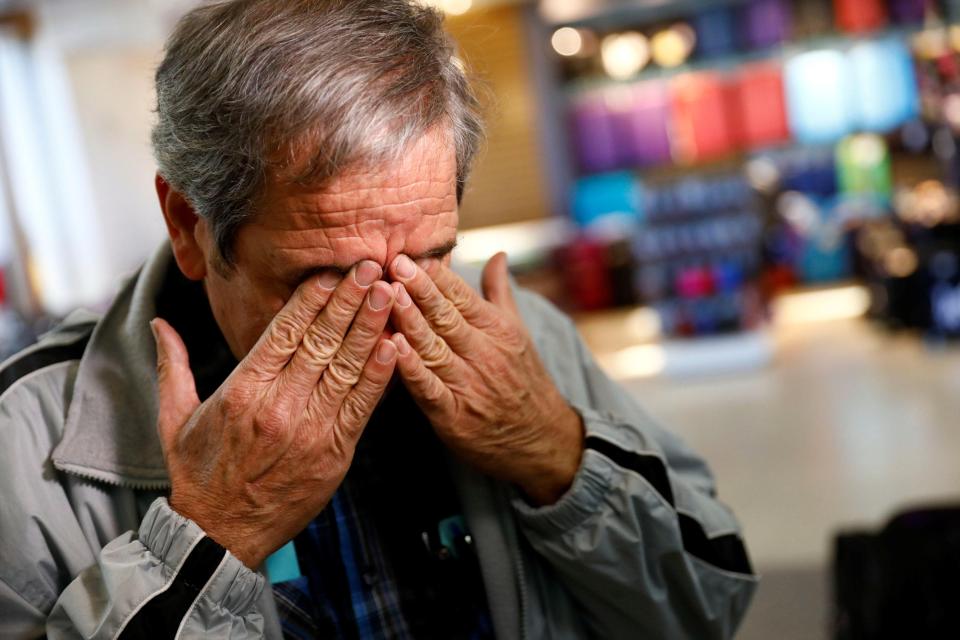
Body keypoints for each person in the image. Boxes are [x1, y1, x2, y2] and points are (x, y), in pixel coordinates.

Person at [0, 1, 756, 638]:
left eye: (428, 258)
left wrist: (555, 453)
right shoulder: (19, 453)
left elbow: (709, 604)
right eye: (324, 281)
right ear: (190, 225)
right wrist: (209, 539)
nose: (389, 324)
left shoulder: (520, 337)